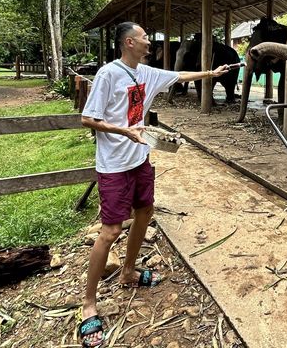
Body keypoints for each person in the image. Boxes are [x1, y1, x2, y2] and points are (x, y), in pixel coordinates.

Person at [78, 21, 230, 348]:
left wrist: (210, 74)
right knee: (110, 231)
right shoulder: (108, 74)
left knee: (145, 212)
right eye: (145, 38)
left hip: (139, 159)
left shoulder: (145, 72)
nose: (151, 42)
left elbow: (178, 76)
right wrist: (126, 131)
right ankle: (88, 304)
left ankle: (128, 271)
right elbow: (88, 118)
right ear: (129, 42)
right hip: (115, 165)